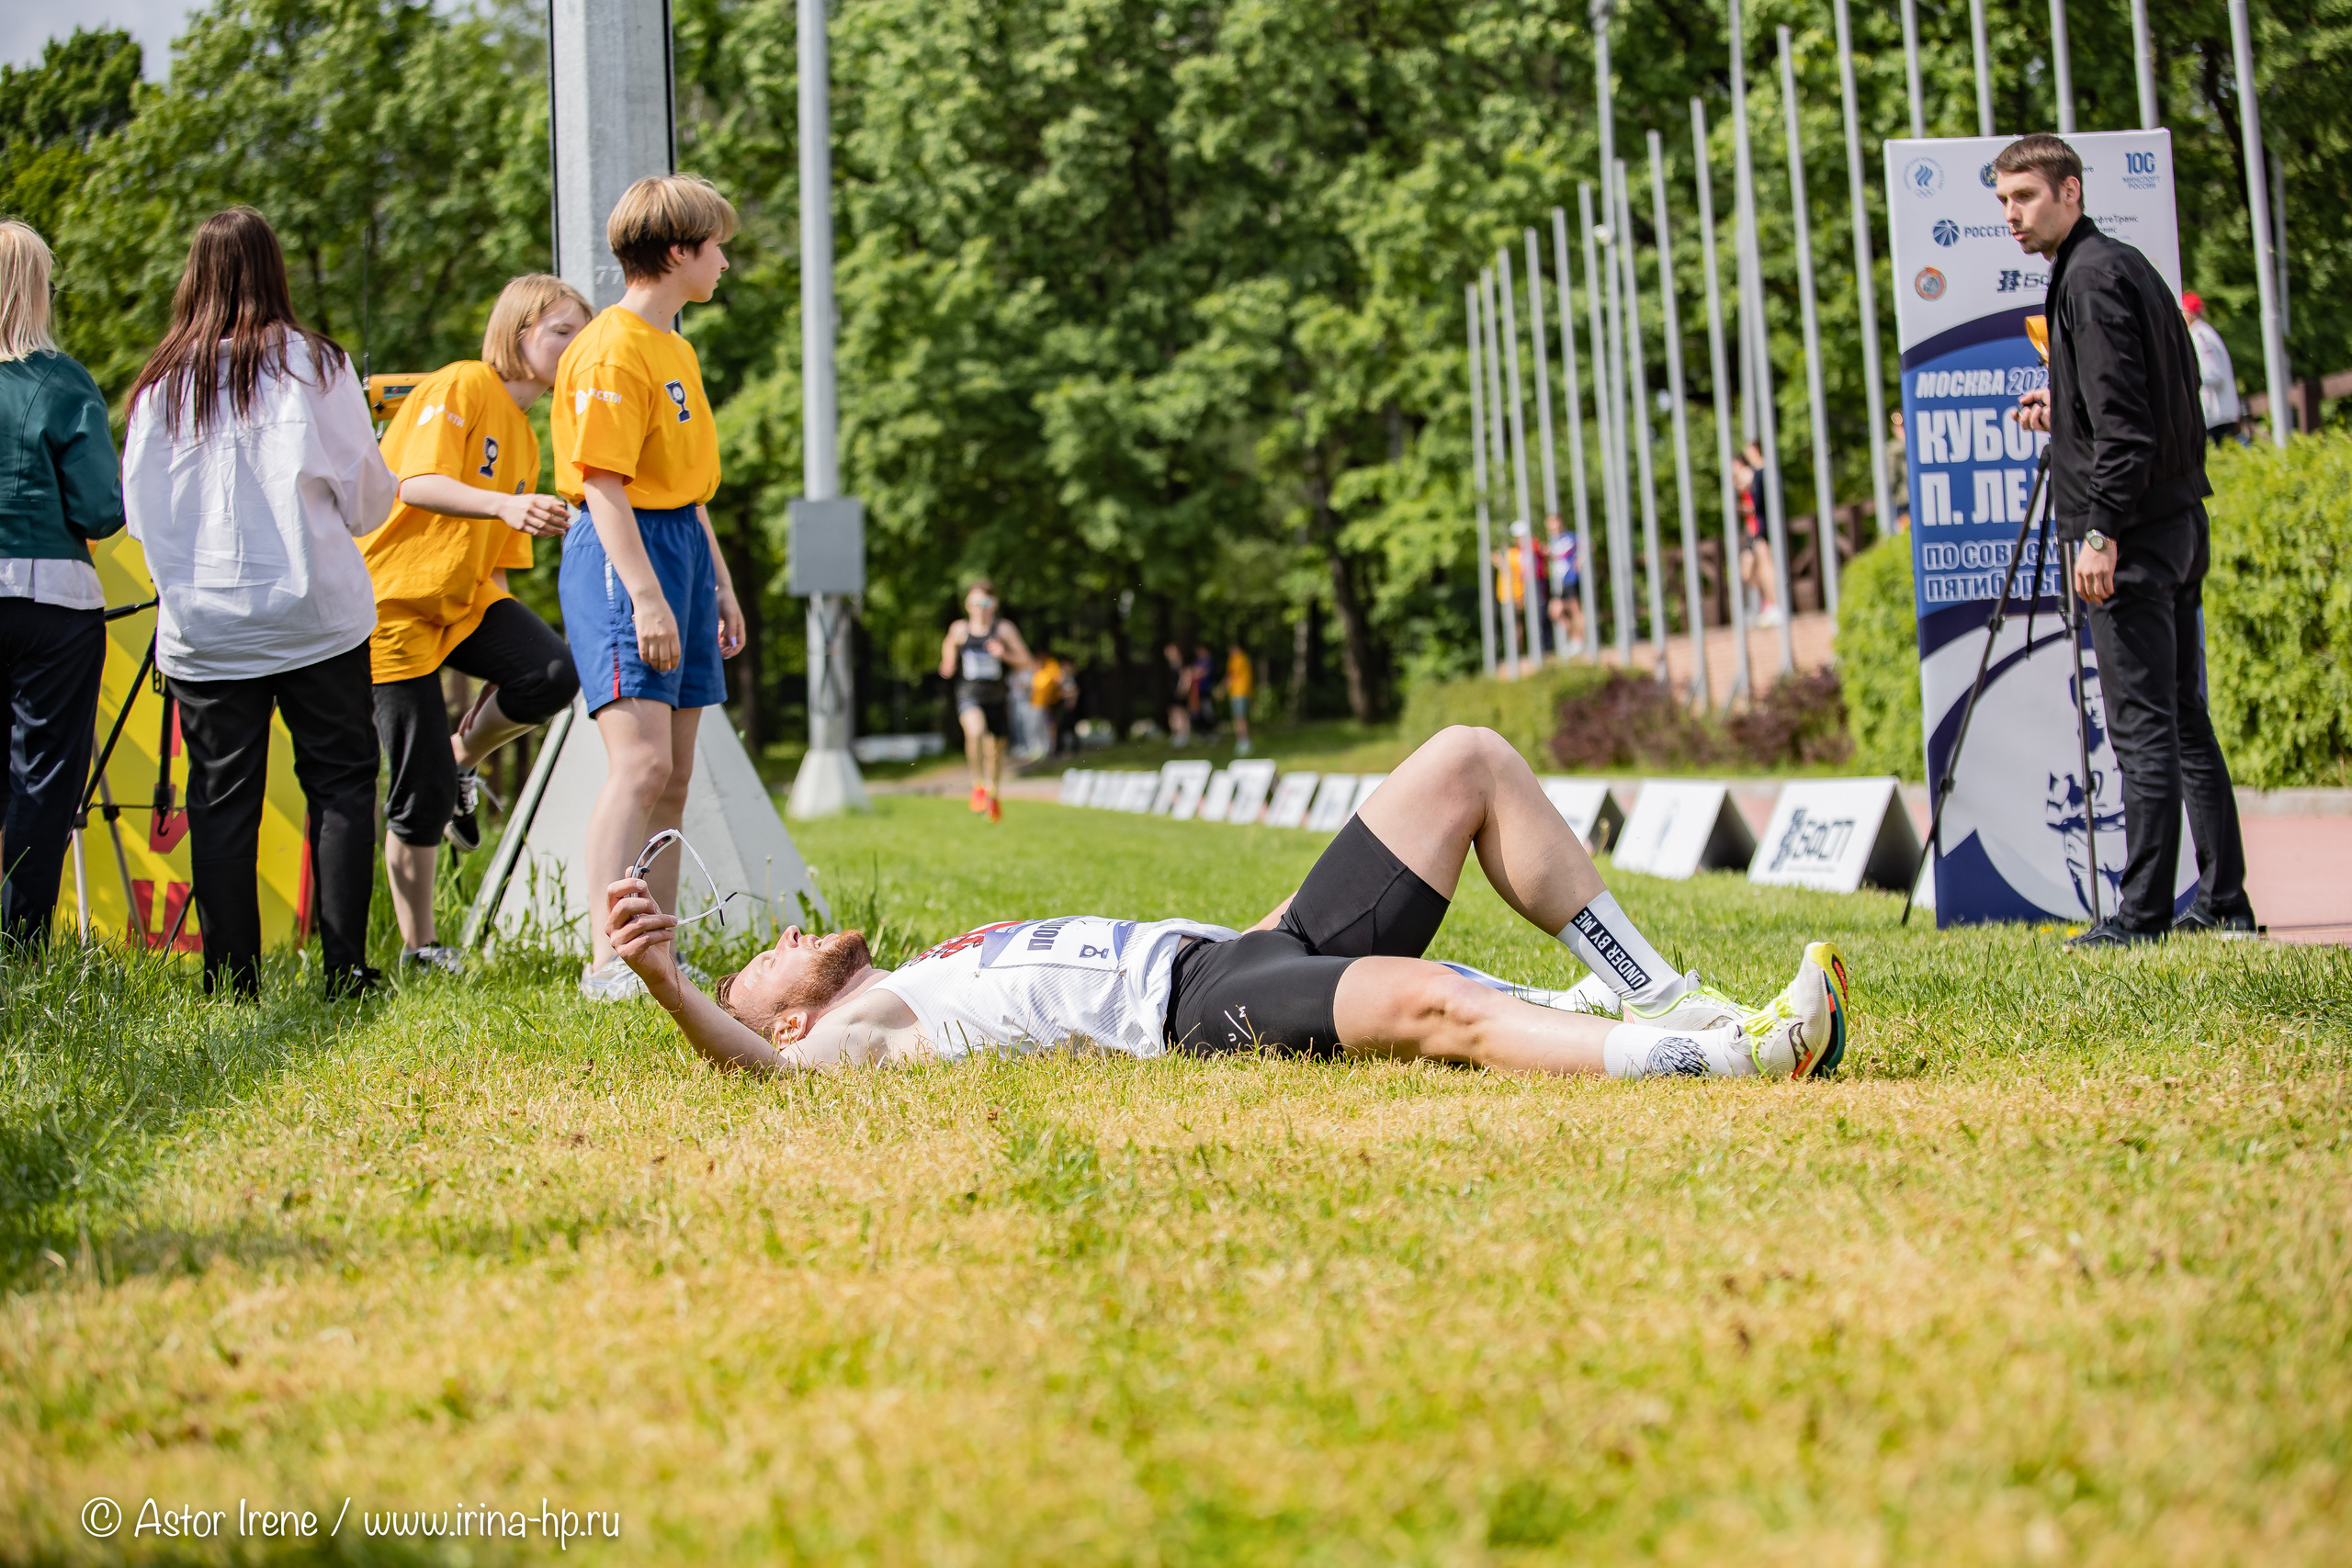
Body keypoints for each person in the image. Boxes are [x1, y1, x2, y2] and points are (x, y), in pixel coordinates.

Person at [603, 725, 1850, 1079]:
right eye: (755, 971)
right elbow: (755, 1075)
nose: (779, 941)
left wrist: (1272, 923)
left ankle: (1659, 988)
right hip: (1205, 1006)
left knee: (1467, 759)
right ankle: (1720, 1056)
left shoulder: (908, 970)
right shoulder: (867, 1036)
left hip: (1248, 943)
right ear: (789, 1025)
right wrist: (669, 983)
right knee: (1433, 1000)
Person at [123, 208, 398, 998]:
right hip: (315, 615)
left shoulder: (158, 388)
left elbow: (139, 514)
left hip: (207, 627)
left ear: (192, 277)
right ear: (274, 271)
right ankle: (346, 970)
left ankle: (230, 979)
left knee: (220, 797)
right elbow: (368, 499)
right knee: (342, 785)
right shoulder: (316, 366)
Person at [1999, 133, 2255, 946]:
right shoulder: (2122, 265)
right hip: (2177, 524)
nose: (2013, 214)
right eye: (2004, 201)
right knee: (2183, 719)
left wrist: (2100, 530)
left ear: (2070, 191)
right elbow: (2130, 401)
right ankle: (2225, 903)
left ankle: (2142, 918)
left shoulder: (2089, 275)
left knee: (2144, 727)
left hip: (2131, 538)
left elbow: (2129, 426)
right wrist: (2060, 405)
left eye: (2026, 196)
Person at [554, 175, 748, 1000]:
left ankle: (654, 956)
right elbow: (603, 482)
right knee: (636, 768)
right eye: (717, 248)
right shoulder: (609, 347)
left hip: (682, 549)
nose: (726, 263)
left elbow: (688, 490)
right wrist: (645, 594)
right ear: (678, 253)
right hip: (623, 551)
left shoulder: (679, 347)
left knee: (673, 776)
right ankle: (608, 959)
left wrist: (722, 588)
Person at [361, 275, 589, 975]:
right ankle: (421, 947)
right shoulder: (460, 383)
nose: (574, 347)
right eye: (562, 332)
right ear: (518, 331)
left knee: (553, 672)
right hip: (393, 602)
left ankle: (463, 757)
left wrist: (513, 522)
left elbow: (495, 561)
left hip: (463, 601)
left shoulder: (524, 437)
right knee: (415, 787)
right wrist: (503, 506)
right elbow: (413, 484)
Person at [0, 220, 125, 952]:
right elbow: (98, 510)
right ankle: (18, 944)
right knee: (41, 781)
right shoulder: (63, 379)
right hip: (52, 603)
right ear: (37, 290)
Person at [941, 579, 1029, 820]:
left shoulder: (1004, 630)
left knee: (995, 752)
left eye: (985, 602)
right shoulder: (960, 629)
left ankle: (994, 795)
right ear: (967, 604)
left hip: (998, 696)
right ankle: (978, 786)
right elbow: (948, 645)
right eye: (974, 602)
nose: (979, 607)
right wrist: (947, 661)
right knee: (975, 731)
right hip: (969, 694)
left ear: (994, 604)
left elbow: (1027, 661)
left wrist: (1004, 654)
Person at [2178, 292, 2245, 447]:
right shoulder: (2206, 333)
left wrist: (2185, 380)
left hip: (2216, 413)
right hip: (2219, 413)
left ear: (2189, 314)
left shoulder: (2199, 336)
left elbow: (2213, 374)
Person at [1737, 441, 1781, 626]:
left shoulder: (1761, 473)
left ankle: (1774, 605)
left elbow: (1759, 504)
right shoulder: (1760, 473)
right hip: (1757, 526)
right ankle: (1769, 604)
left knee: (1766, 566)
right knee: (1755, 569)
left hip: (1761, 524)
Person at [1543, 515, 1585, 655]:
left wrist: (1579, 562)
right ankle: (1574, 640)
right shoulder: (1554, 540)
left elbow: (1585, 547)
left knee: (1575, 610)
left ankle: (1579, 641)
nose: (1552, 528)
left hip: (1570, 579)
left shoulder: (1569, 537)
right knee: (1555, 612)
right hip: (1559, 582)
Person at [1027, 648, 1066, 760]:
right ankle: (1040, 748)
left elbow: (1057, 681)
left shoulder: (1051, 665)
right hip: (1037, 703)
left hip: (1049, 703)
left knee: (1049, 726)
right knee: (1037, 726)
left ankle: (1050, 748)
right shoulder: (1040, 670)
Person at [1222, 640, 1253, 756]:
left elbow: (1231, 676)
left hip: (1239, 693)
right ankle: (1242, 741)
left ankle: (1244, 741)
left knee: (1240, 718)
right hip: (1241, 693)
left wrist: (1222, 690)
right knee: (1239, 718)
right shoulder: (1243, 659)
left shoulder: (1238, 659)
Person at [1161, 641, 1192, 745]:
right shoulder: (1170, 665)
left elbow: (1186, 676)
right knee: (1173, 713)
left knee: (1181, 713)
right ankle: (1176, 734)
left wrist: (1182, 689)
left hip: (1179, 692)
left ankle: (1184, 735)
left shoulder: (1181, 663)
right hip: (1172, 692)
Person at [1887, 411, 1911, 531]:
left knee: (1905, 533)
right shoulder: (1919, 444)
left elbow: (1892, 477)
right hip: (1913, 497)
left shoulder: (1894, 450)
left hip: (1904, 498)